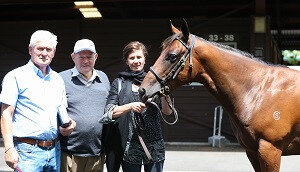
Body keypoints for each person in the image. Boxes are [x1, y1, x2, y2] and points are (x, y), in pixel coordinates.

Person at [0, 30, 76, 172]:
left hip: (54, 150)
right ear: (30, 50)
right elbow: (6, 115)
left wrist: (69, 125)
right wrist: (9, 148)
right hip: (27, 151)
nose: (44, 53)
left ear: (54, 52)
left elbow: (61, 112)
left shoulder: (57, 80)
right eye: (40, 49)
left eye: (49, 49)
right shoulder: (15, 77)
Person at [100, 41, 172, 172]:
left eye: (139, 57)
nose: (136, 61)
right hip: (130, 145)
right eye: (132, 58)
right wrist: (130, 106)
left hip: (154, 143)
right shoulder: (119, 83)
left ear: (144, 59)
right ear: (126, 61)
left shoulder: (155, 81)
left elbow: (167, 112)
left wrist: (165, 94)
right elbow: (109, 112)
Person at [59, 39, 110, 172]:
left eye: (89, 57)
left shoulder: (103, 79)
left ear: (96, 57)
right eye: (81, 57)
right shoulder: (61, 79)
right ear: (73, 57)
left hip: (96, 155)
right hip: (69, 154)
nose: (85, 61)